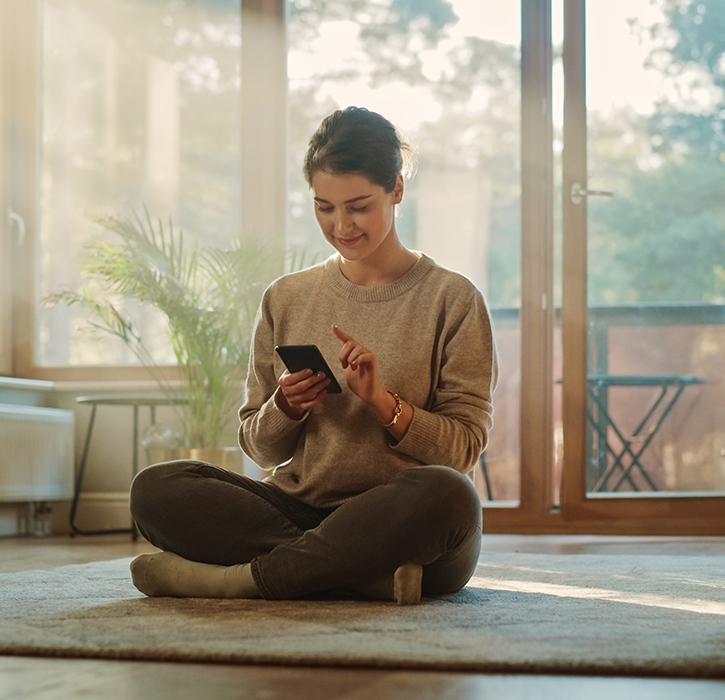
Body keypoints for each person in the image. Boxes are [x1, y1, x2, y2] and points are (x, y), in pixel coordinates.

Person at [128, 106, 498, 604]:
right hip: (298, 509)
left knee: (451, 497)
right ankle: (358, 575)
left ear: (396, 190)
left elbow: (464, 450)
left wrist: (383, 403)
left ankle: (240, 581)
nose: (341, 225)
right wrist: (285, 408)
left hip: (402, 518)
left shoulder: (454, 300)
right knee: (157, 488)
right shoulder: (286, 298)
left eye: (359, 206)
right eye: (325, 207)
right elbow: (260, 451)